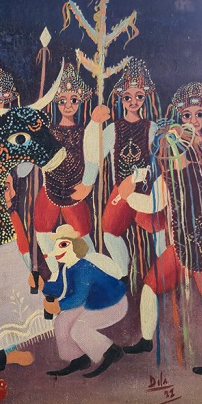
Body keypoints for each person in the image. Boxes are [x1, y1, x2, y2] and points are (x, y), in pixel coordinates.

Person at [120, 123, 202, 375]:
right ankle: (147, 340)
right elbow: (151, 205)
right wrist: (129, 195)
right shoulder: (167, 179)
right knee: (150, 285)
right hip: (181, 249)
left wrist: (127, 195)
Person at [76, 58, 165, 278]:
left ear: (145, 97)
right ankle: (122, 274)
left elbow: (160, 160)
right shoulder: (113, 129)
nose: (133, 101)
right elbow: (93, 154)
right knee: (109, 231)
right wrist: (94, 124)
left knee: (159, 228)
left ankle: (164, 270)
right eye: (128, 97)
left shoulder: (152, 128)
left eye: (139, 96)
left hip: (145, 191)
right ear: (121, 98)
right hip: (120, 191)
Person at [40, 224, 127, 378]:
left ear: (75, 246)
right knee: (62, 321)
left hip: (112, 303)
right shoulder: (67, 268)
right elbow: (61, 288)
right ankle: (78, 358)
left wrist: (58, 306)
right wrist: (43, 286)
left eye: (63, 245)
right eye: (57, 245)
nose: (57, 250)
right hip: (92, 302)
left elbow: (79, 297)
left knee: (79, 329)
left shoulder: (84, 268)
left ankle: (111, 351)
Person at [35, 63, 95, 257]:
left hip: (75, 190)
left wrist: (87, 185)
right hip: (50, 188)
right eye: (62, 101)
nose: (68, 105)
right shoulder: (48, 131)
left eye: (73, 100)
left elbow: (92, 160)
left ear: (80, 101)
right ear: (56, 102)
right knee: (41, 231)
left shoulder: (85, 132)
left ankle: (92, 268)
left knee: (83, 235)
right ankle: (54, 270)